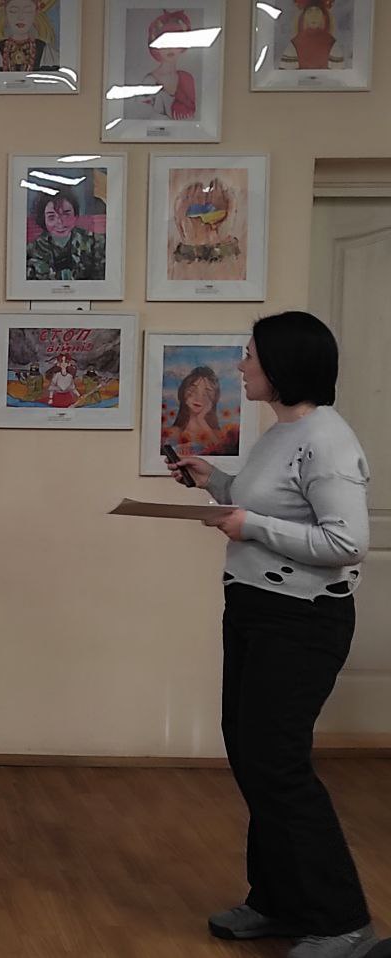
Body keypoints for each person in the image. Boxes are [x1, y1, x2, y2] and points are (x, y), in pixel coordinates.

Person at [168, 313, 381, 958]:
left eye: (252, 357)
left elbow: (346, 542)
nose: (240, 367)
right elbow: (263, 503)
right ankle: (278, 901)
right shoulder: (281, 433)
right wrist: (213, 482)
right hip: (256, 608)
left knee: (277, 764)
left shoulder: (328, 441)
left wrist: (251, 526)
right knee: (252, 753)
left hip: (302, 619)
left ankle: (343, 923)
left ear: (285, 365)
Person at [25, 190, 105, 282]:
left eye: (66, 214)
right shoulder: (31, 250)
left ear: (75, 216)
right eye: (51, 217)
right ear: (43, 219)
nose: (60, 222)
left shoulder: (95, 242)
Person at [136, 8, 196, 120]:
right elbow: (141, 120)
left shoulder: (187, 79)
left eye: (175, 42)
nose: (169, 48)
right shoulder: (149, 81)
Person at [163, 365, 233, 457]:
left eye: (207, 393)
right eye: (193, 390)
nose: (198, 398)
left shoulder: (218, 435)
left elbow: (223, 454)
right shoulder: (172, 433)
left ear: (214, 398)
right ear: (183, 392)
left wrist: (201, 420)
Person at [0, 0, 60, 73]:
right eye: (13, 11)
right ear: (5, 13)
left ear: (36, 13)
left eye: (28, 11)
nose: (20, 17)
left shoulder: (47, 53)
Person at [281, 0, 346, 71]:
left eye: (317, 11)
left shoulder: (332, 44)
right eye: (309, 12)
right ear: (304, 17)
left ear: (323, 16)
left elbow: (338, 74)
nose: (313, 16)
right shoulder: (294, 44)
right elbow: (287, 74)